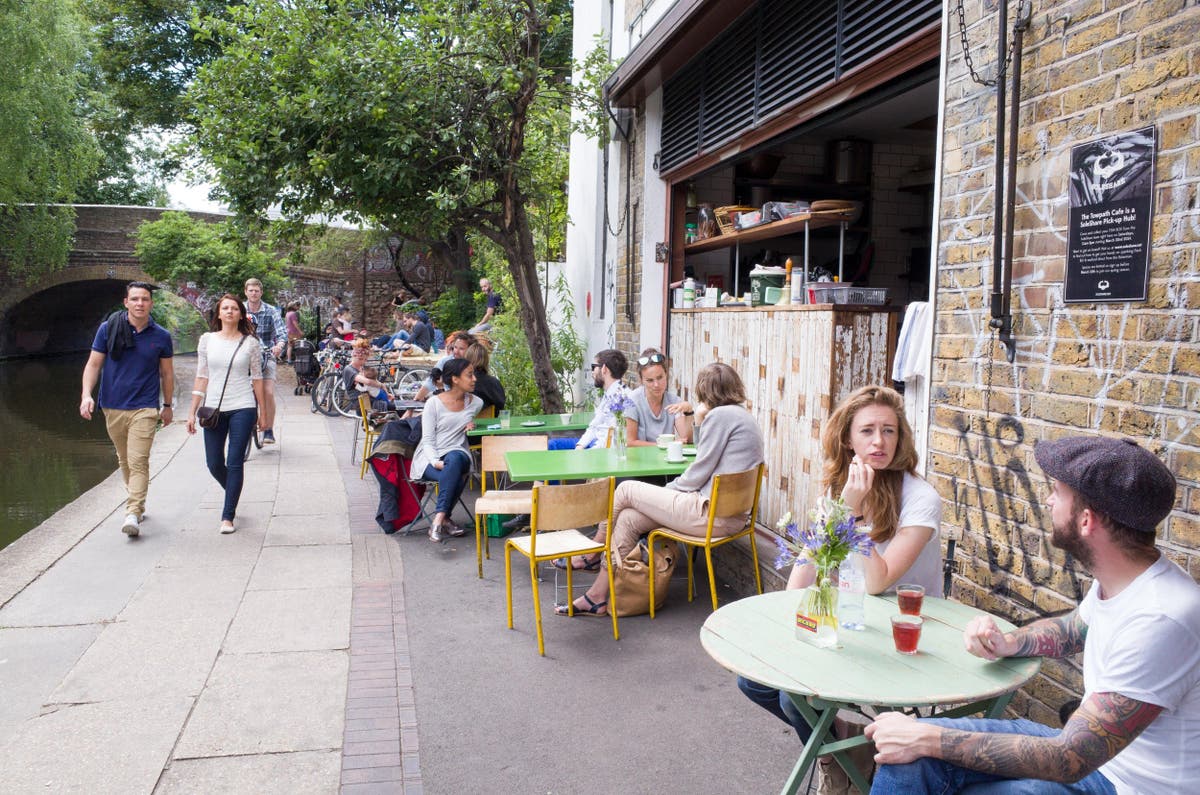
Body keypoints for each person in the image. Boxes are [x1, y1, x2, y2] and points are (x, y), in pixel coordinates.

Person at [865, 436, 1197, 795]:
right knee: (906, 758)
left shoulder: (1162, 618)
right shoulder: (1125, 578)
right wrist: (1010, 642)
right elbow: (1075, 628)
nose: (1049, 500)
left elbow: (1068, 758)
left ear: (1086, 521)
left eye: (1057, 491)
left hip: (1125, 784)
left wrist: (927, 737)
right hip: (1091, 758)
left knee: (921, 746)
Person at [738, 384, 943, 745]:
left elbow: (879, 582)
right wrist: (842, 505)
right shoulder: (841, 488)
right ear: (848, 439)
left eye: (889, 430)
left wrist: (851, 513)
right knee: (753, 682)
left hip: (906, 634)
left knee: (794, 698)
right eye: (867, 431)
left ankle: (836, 762)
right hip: (855, 620)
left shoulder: (921, 498)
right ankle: (842, 746)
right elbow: (799, 584)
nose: (879, 441)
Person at [556, 362, 763, 616]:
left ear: (705, 391)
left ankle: (595, 551)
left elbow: (699, 470)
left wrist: (667, 491)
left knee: (625, 490)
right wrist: (698, 420)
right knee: (629, 519)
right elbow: (707, 458)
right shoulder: (740, 415)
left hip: (710, 514)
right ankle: (597, 596)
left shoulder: (721, 416)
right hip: (726, 515)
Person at [79, 281, 175, 538]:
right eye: (135, 299)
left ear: (151, 303)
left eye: (145, 299)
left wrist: (167, 405)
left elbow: (166, 374)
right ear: (126, 302)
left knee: (138, 460)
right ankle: (137, 500)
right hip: (112, 405)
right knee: (124, 460)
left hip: (144, 407)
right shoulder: (107, 329)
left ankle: (132, 511)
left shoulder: (161, 336)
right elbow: (93, 365)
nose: (140, 303)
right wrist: (86, 395)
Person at [185, 294, 265, 534]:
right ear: (219, 314)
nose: (229, 312)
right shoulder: (207, 340)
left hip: (243, 405)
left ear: (240, 314)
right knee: (214, 463)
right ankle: (233, 491)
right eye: (225, 308)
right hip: (213, 409)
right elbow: (202, 376)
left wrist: (263, 412)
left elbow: (258, 379)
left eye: (234, 308)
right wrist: (191, 412)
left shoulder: (250, 343)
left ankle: (227, 515)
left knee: (234, 461)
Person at [411, 358, 483, 542]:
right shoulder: (433, 403)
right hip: (429, 457)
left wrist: (471, 425)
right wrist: (435, 461)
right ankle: (446, 520)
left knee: (456, 460)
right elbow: (427, 440)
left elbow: (469, 426)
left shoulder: (476, 403)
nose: (474, 378)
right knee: (454, 473)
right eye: (469, 375)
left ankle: (437, 520)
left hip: (458, 451)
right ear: (456, 379)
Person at [548, 349, 631, 451]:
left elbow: (611, 440)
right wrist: (580, 445)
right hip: (593, 441)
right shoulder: (610, 393)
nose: (592, 372)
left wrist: (586, 454)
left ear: (604, 368)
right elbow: (594, 426)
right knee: (552, 444)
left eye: (594, 367)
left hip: (600, 449)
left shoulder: (621, 398)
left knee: (553, 447)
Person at [243, 278, 286, 444]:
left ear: (261, 292)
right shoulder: (240, 309)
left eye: (257, 291)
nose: (254, 293)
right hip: (245, 356)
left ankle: (268, 428)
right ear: (246, 292)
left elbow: (281, 332)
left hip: (266, 354)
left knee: (267, 392)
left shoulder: (270, 311)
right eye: (251, 290)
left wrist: (279, 346)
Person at [625, 348, 693, 445]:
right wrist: (665, 445)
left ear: (666, 374)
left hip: (667, 458)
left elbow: (687, 439)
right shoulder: (632, 401)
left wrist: (689, 411)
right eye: (650, 380)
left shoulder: (674, 401)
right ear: (641, 380)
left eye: (660, 377)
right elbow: (630, 442)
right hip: (640, 458)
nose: (656, 384)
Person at [413, 330, 474, 401]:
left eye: (461, 349)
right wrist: (415, 402)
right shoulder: (445, 361)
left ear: (470, 350)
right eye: (455, 347)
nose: (456, 351)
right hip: (448, 399)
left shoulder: (473, 363)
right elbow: (430, 382)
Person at [464, 341, 505, 412]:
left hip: (467, 421)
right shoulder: (494, 382)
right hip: (491, 421)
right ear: (486, 360)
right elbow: (501, 405)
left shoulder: (462, 383)